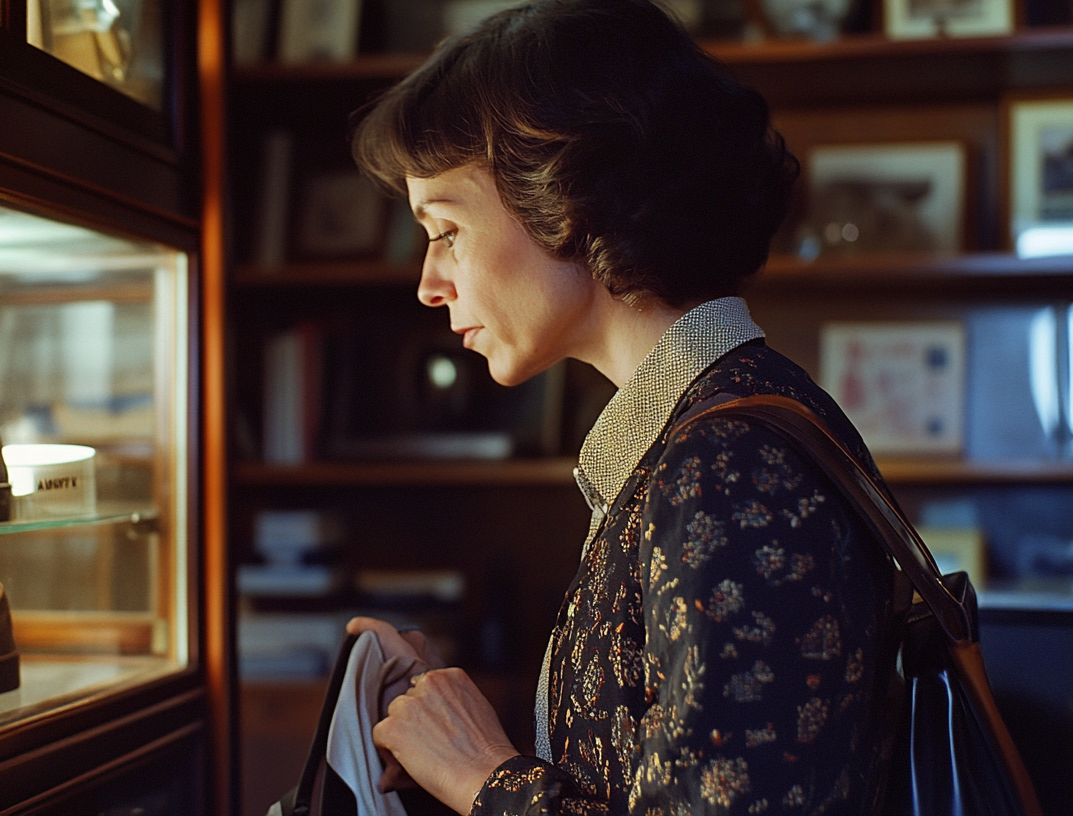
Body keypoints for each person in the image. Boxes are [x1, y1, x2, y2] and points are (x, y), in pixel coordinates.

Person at [342, 1, 899, 814]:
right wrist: (450, 733)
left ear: (566, 199)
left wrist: (480, 777)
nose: (429, 281)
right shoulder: (701, 437)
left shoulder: (728, 465)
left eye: (447, 229)